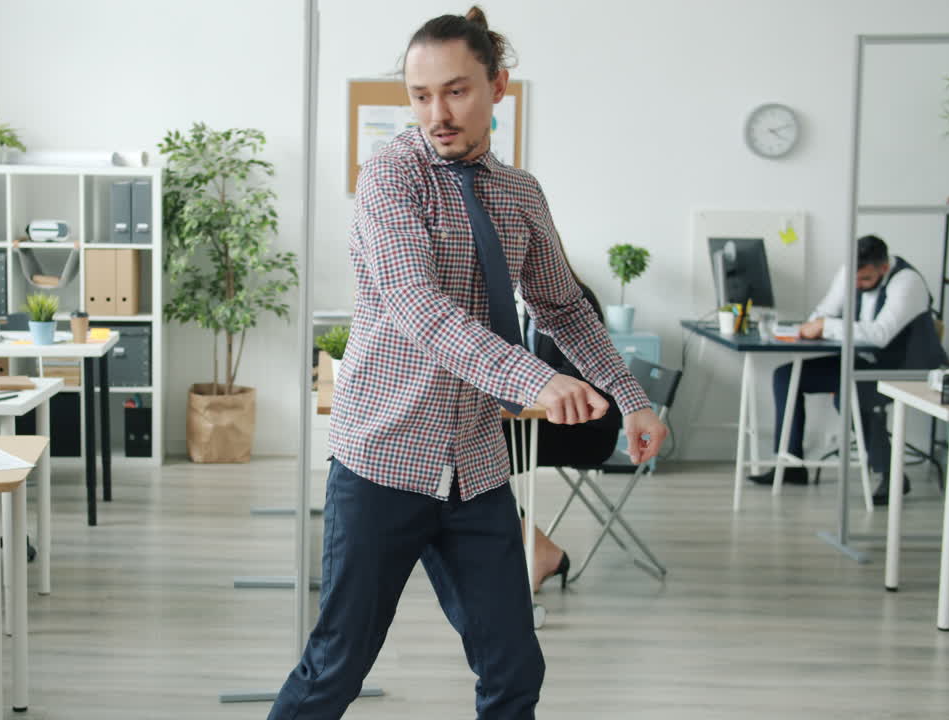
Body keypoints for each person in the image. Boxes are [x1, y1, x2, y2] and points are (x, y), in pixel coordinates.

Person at [268, 8, 666, 719]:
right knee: (336, 669)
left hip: (475, 467)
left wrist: (629, 395)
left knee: (515, 669)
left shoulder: (521, 194)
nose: (436, 114)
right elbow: (421, 311)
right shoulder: (390, 178)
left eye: (455, 91)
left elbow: (564, 308)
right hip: (383, 462)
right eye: (420, 96)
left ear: (497, 86)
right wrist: (535, 378)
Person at [748, 234, 944, 504]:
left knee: (850, 395)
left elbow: (879, 334)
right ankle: (792, 466)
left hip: (904, 366)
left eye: (865, 279)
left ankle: (892, 475)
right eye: (854, 278)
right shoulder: (852, 273)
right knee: (786, 376)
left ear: (884, 268)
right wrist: (819, 324)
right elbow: (823, 313)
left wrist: (826, 327)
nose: (857, 285)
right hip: (863, 361)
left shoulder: (906, 282)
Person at [510, 277, 623, 593]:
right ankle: (535, 547)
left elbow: (575, 378)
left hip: (587, 431)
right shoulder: (530, 302)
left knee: (477, 454)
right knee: (474, 452)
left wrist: (522, 379)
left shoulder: (573, 300)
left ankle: (538, 550)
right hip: (555, 421)